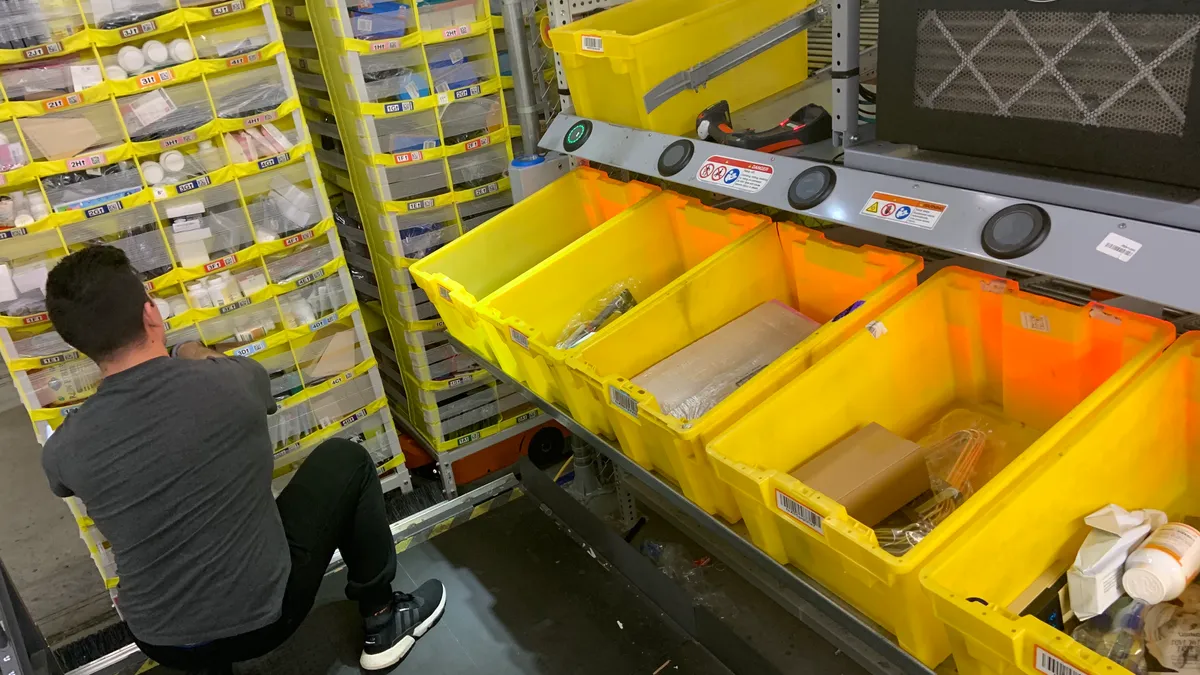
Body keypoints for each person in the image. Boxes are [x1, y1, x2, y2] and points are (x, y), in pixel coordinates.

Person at [38, 245, 444, 674]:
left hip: (160, 640)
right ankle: (383, 620)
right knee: (346, 459)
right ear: (151, 315)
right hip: (266, 620)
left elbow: (65, 480)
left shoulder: (65, 448)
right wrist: (189, 350)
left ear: (77, 344)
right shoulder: (230, 384)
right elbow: (256, 390)